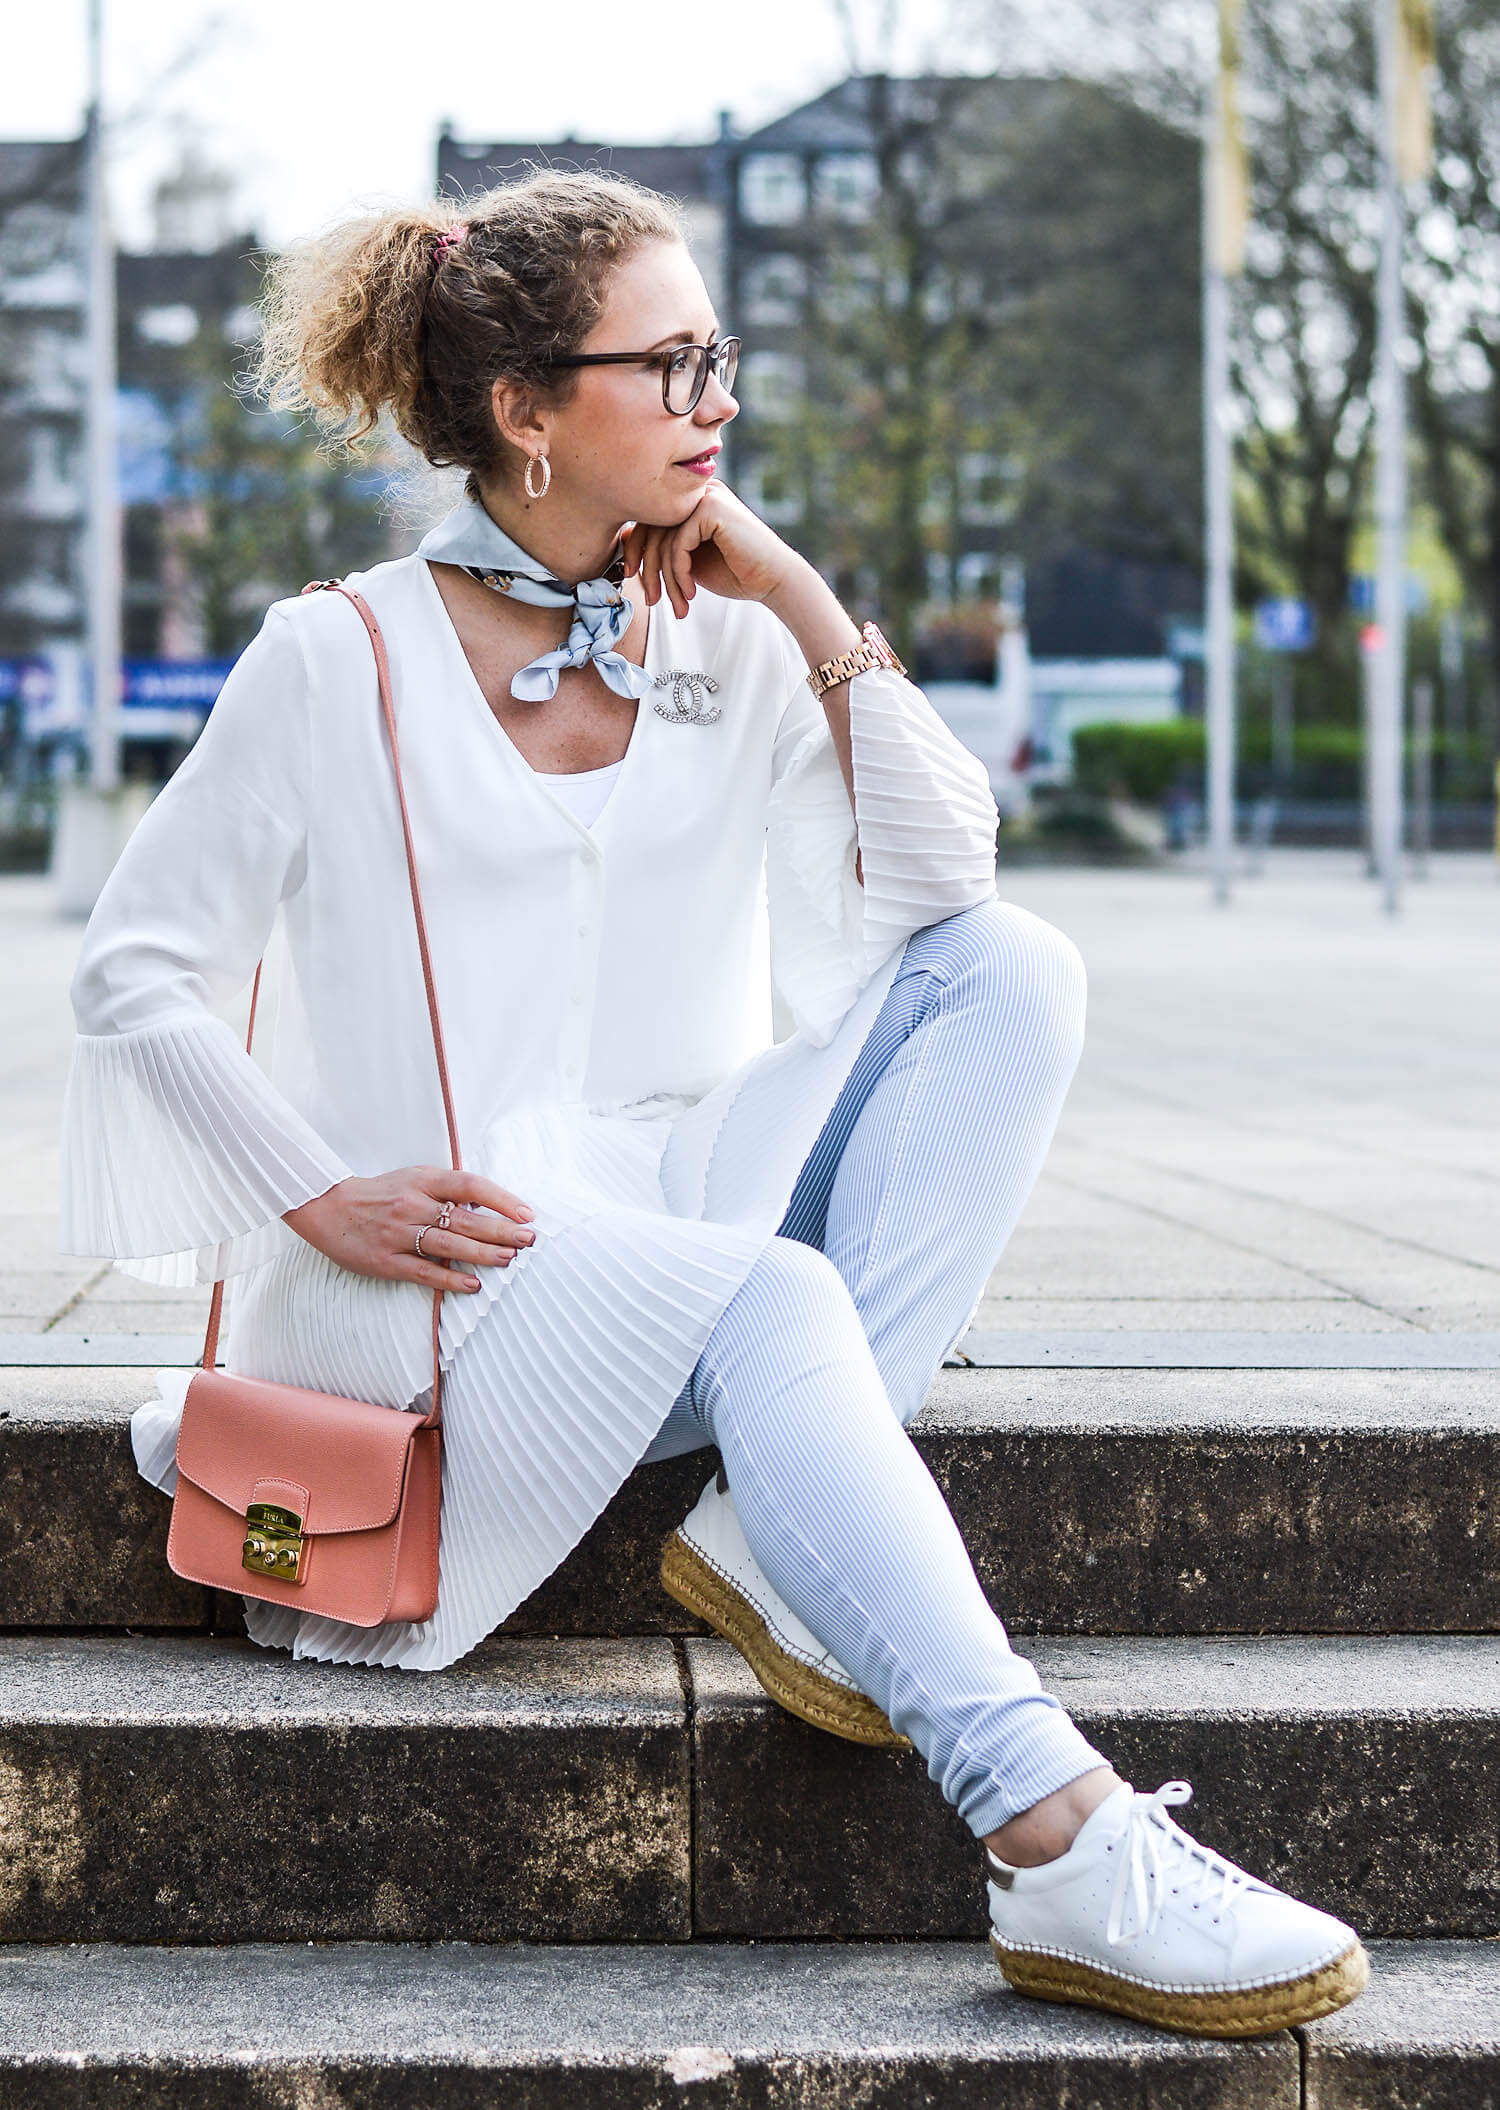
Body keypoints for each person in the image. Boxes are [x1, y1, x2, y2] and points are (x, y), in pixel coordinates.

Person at [57, 167, 1366, 2040]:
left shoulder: (727, 630)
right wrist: (313, 1194)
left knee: (1019, 973)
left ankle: (785, 1527)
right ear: (525, 414)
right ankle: (1056, 1835)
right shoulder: (330, 656)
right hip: (450, 1269)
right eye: (670, 364)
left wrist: (804, 598)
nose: (716, 401)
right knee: (780, 1297)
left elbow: (943, 890)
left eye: (717, 355)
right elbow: (135, 969)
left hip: (669, 1193)